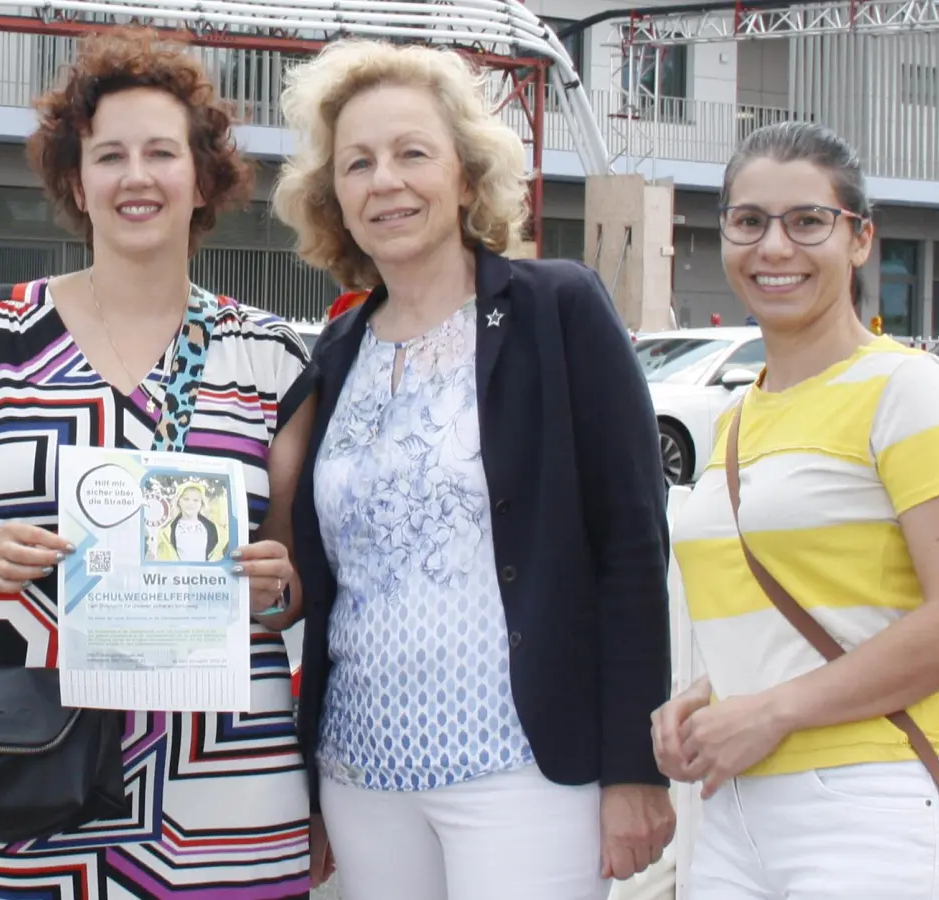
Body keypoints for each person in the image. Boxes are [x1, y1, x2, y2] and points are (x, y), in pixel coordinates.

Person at [0, 29, 315, 899]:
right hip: (28, 765)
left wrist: (280, 581)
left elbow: (298, 569)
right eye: (109, 155)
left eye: (162, 152)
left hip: (224, 785)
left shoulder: (267, 356)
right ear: (76, 182)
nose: (137, 176)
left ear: (203, 176)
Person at [272, 39, 675, 899]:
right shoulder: (335, 352)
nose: (386, 181)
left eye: (413, 153)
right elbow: (324, 574)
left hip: (522, 767)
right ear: (333, 196)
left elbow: (633, 546)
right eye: (359, 163)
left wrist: (634, 768)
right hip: (362, 769)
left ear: (465, 175)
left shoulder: (555, 308)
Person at [651, 121, 939, 899]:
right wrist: (701, 704)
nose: (773, 247)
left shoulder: (908, 389)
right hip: (734, 808)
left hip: (870, 804)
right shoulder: (738, 419)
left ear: (860, 240)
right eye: (749, 222)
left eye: (808, 221)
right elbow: (795, 625)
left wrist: (772, 712)